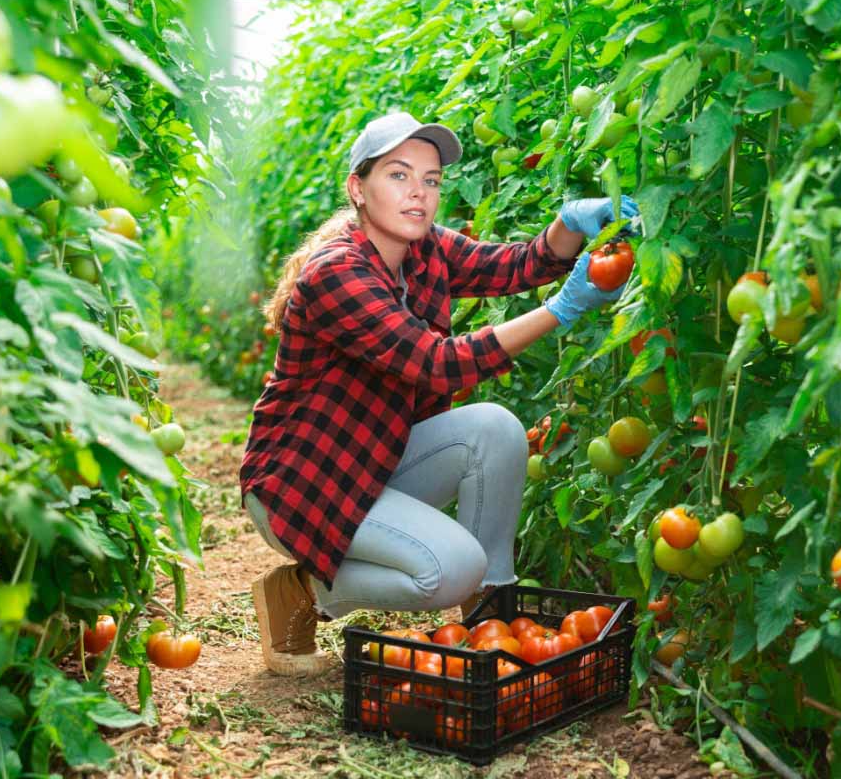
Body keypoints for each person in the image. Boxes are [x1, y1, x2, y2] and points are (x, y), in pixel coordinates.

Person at [239, 111, 641, 675]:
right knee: (449, 568)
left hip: (376, 461)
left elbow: (520, 264)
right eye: (399, 176)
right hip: (305, 482)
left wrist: (571, 226)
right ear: (358, 188)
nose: (419, 194)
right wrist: (561, 310)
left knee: (496, 429)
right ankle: (304, 588)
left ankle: (490, 623)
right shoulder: (337, 274)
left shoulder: (427, 250)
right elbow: (436, 364)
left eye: (430, 180)